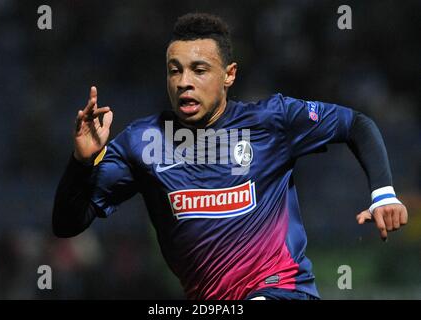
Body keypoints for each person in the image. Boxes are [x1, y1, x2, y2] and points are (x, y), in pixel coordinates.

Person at [53, 13, 408, 300]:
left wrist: (383, 193)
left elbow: (356, 124)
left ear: (229, 75)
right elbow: (68, 224)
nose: (183, 82)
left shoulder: (272, 121)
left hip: (283, 290)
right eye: (174, 70)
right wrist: (81, 161)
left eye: (199, 70)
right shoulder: (143, 143)